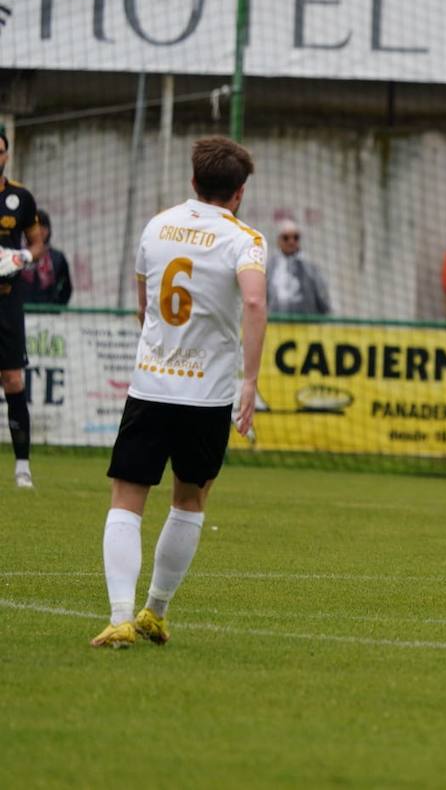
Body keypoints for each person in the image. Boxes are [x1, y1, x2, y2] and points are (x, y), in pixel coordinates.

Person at [89, 137, 267, 648]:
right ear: (239, 193)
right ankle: (155, 611)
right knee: (190, 499)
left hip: (150, 386)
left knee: (127, 497)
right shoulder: (246, 239)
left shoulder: (156, 226)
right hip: (207, 396)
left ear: (193, 182)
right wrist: (248, 381)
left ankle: (121, 614)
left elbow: (143, 302)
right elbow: (254, 303)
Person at [0, 133, 44, 489]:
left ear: (7, 155)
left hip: (8, 298)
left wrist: (23, 256)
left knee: (13, 379)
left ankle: (23, 466)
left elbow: (37, 241)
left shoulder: (21, 197)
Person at [265, 219, 331, 315]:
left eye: (295, 237)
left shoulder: (310, 267)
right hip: (277, 325)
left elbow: (322, 298)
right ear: (278, 240)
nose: (291, 242)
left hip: (305, 325)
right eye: (286, 238)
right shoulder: (271, 267)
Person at [21, 209, 72, 306]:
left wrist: (56, 307)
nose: (39, 230)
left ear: (48, 230)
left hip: (48, 314)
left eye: (43, 226)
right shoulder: (17, 255)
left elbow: (66, 288)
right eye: (35, 227)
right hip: (21, 312)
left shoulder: (58, 257)